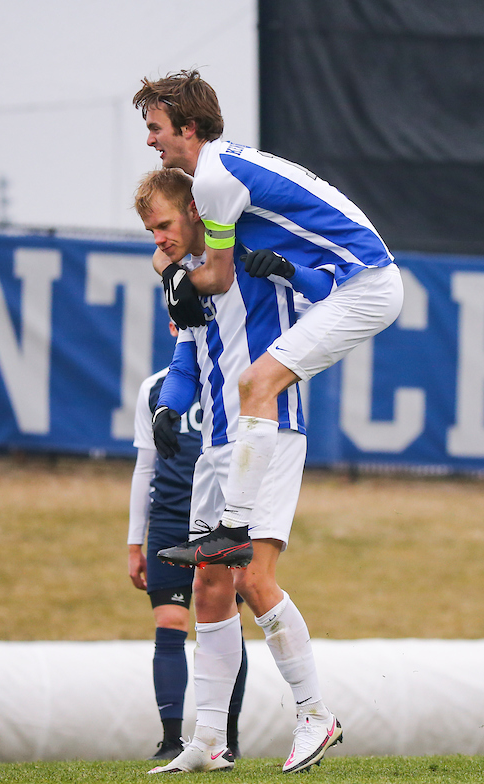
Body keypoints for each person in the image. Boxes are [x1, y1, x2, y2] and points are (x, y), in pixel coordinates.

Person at [131, 69, 402, 579]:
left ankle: (232, 530)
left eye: (156, 127)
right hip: (361, 280)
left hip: (366, 284)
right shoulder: (224, 164)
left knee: (257, 381)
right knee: (258, 382)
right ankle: (232, 531)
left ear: (188, 127)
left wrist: (168, 274)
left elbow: (214, 274)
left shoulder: (212, 179)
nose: (150, 139)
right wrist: (174, 275)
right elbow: (208, 278)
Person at [133, 168, 341, 775]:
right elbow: (186, 351)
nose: (159, 240)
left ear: (197, 211)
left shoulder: (247, 249)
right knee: (209, 585)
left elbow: (330, 293)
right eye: (150, 231)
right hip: (217, 447)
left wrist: (284, 270)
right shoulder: (185, 279)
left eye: (165, 226)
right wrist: (170, 404)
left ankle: (314, 714)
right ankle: (209, 740)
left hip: (271, 438)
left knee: (252, 577)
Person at [128, 337, 248, 762]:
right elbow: (145, 467)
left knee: (221, 620)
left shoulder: (232, 382)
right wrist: (133, 542)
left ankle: (225, 740)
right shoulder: (154, 389)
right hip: (168, 522)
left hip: (218, 519)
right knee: (171, 622)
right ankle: (171, 740)